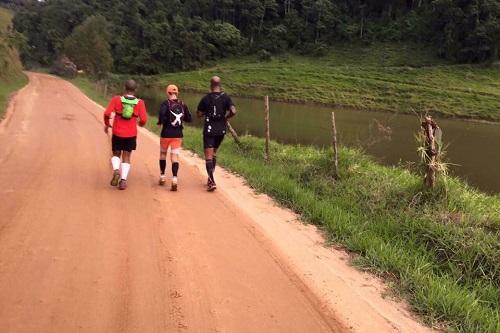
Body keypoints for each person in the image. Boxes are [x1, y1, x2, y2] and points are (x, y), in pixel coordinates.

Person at [104, 80, 147, 190]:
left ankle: (116, 170)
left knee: (116, 154)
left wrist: (107, 124)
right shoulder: (140, 102)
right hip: (131, 134)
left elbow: (107, 113)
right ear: (135, 90)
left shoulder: (116, 99)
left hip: (117, 132)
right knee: (126, 156)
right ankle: (123, 181)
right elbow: (144, 119)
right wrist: (140, 124)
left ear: (124, 88)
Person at [197, 76, 236, 191]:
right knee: (214, 152)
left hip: (209, 130)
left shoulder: (206, 98)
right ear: (220, 85)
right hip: (221, 130)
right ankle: (210, 178)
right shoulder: (226, 97)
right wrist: (226, 117)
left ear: (210, 85)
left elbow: (199, 114)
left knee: (208, 156)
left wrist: (204, 113)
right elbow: (233, 111)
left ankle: (211, 181)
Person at [157, 84, 192, 191]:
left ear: (167, 92)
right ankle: (174, 179)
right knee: (174, 157)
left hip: (166, 133)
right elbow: (189, 118)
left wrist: (160, 122)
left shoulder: (165, 103)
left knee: (163, 154)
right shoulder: (182, 104)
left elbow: (162, 115)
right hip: (178, 134)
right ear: (177, 93)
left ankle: (162, 176)